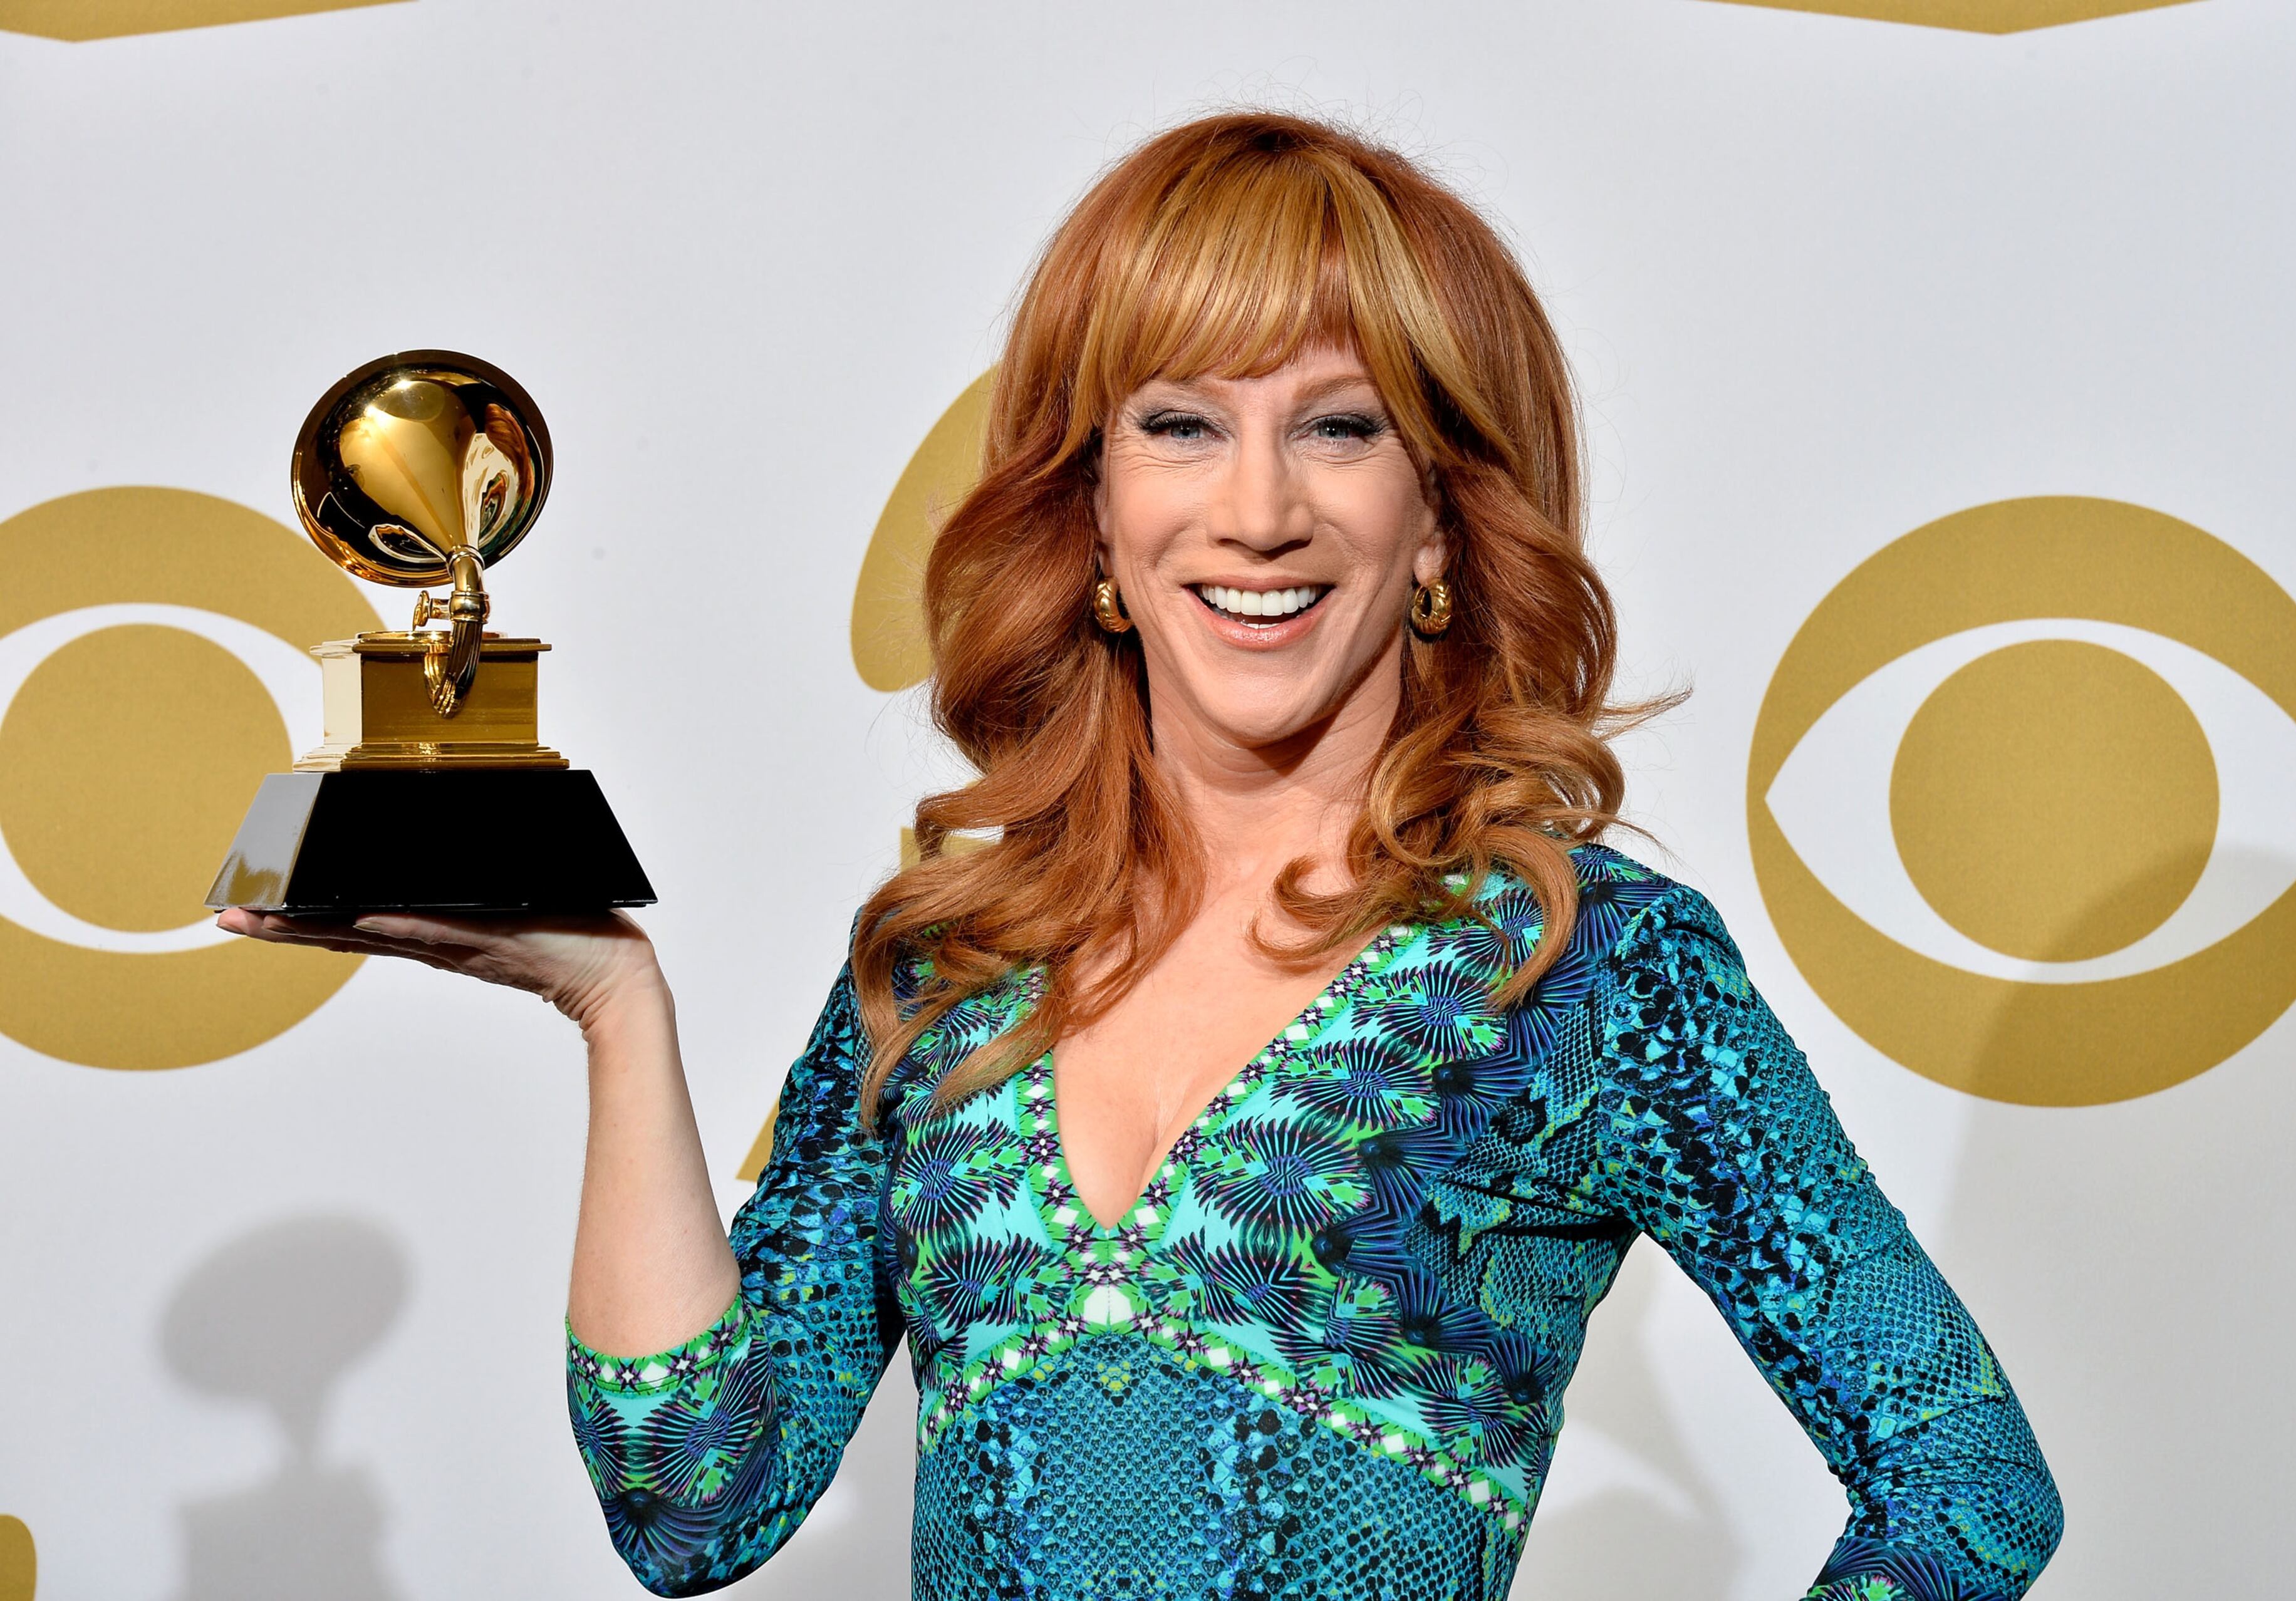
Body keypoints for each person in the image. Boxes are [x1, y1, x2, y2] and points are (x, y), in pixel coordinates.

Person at [222, 112, 2062, 1601]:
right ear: (1095, 508)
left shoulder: (1593, 968)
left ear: (1441, 522)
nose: (1257, 508)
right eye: (1182, 423)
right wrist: (616, 1009)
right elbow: (696, 1505)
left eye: (1341, 428)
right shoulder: (950, 959)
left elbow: (1968, 1488)